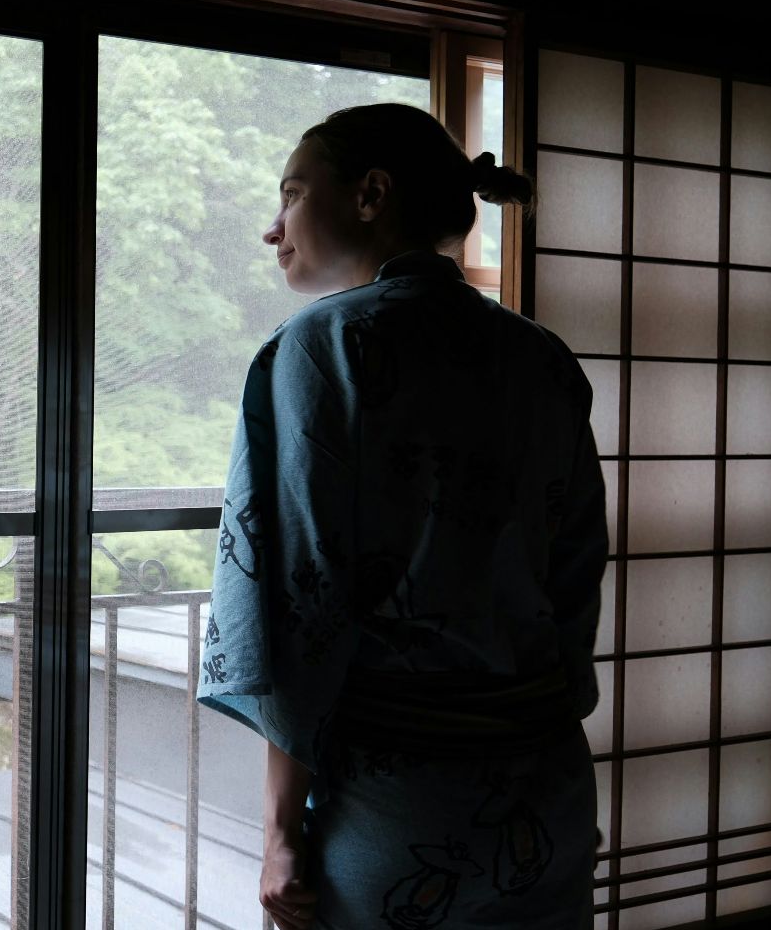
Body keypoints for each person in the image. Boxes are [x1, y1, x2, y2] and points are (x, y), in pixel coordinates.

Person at [196, 102, 608, 930]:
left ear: (370, 195)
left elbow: (300, 599)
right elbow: (578, 568)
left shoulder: (319, 348)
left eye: (292, 195)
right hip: (545, 792)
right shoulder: (541, 356)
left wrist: (280, 832)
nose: (272, 230)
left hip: (401, 804)